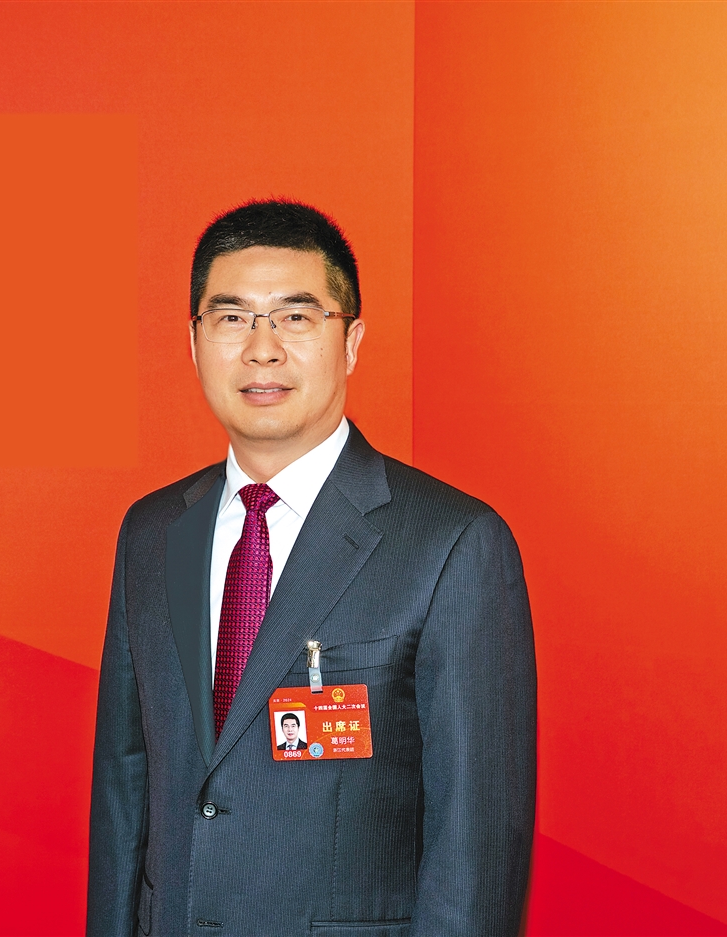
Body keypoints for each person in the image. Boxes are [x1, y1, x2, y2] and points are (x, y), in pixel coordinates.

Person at [87, 199, 536, 937]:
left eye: (295, 317)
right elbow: (124, 789)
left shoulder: (453, 544)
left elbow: (475, 853)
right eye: (232, 318)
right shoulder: (152, 531)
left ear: (350, 341)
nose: (261, 349)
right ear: (194, 342)